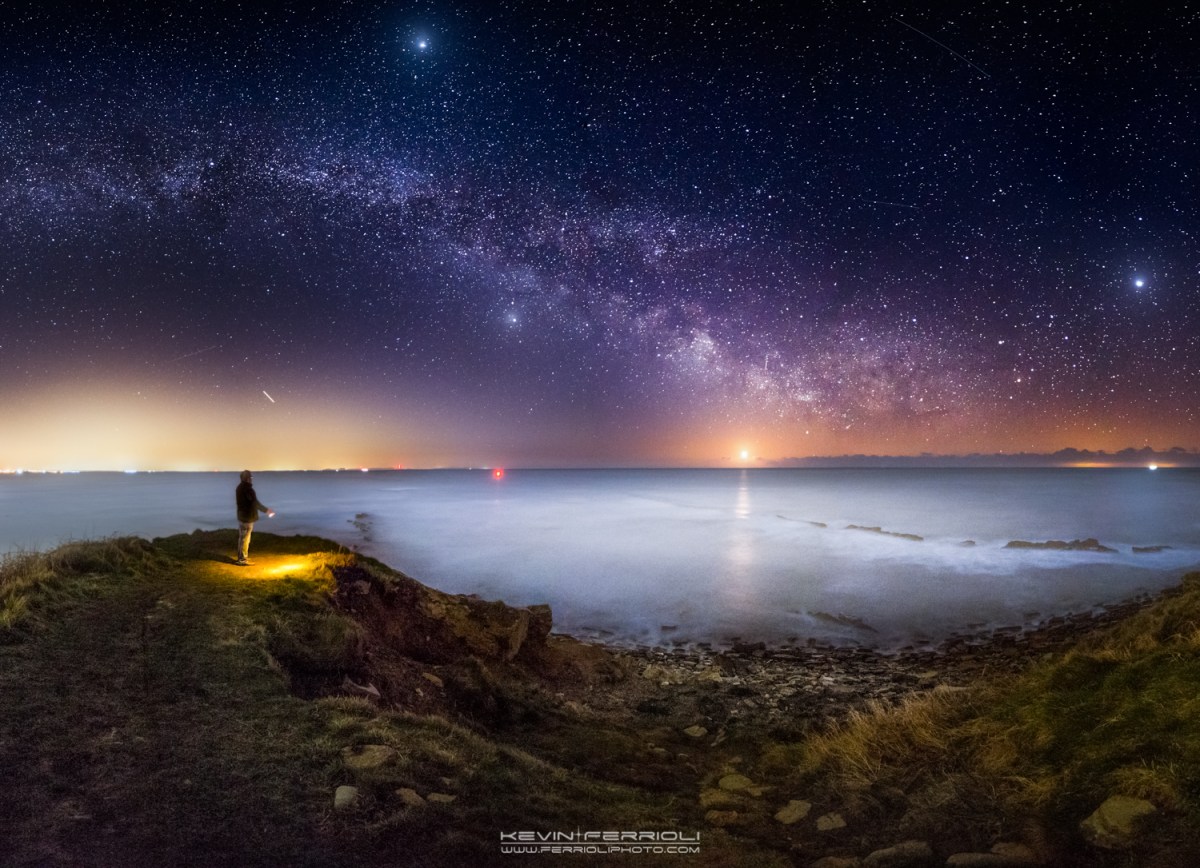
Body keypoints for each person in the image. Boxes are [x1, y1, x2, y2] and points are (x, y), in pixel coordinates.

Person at [234, 470, 275, 565]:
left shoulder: (239, 488)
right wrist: (266, 510)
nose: (251, 480)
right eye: (251, 478)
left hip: (241, 516)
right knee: (245, 538)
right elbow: (254, 502)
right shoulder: (247, 489)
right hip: (247, 517)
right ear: (247, 479)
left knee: (242, 538)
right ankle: (242, 559)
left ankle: (242, 557)